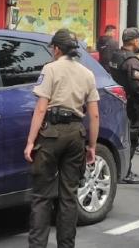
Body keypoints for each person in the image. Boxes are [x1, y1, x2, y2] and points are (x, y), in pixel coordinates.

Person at [24, 29, 100, 248]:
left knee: (41, 196)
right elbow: (94, 114)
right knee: (69, 197)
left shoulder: (50, 69)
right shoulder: (87, 74)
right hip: (76, 135)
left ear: (56, 49)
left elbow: (40, 109)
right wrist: (92, 146)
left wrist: (30, 142)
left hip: (50, 135)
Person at [109, 28, 139, 184]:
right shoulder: (132, 61)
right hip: (131, 105)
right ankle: (126, 172)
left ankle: (120, 169)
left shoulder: (116, 55)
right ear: (135, 41)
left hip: (117, 102)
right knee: (131, 138)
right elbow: (137, 87)